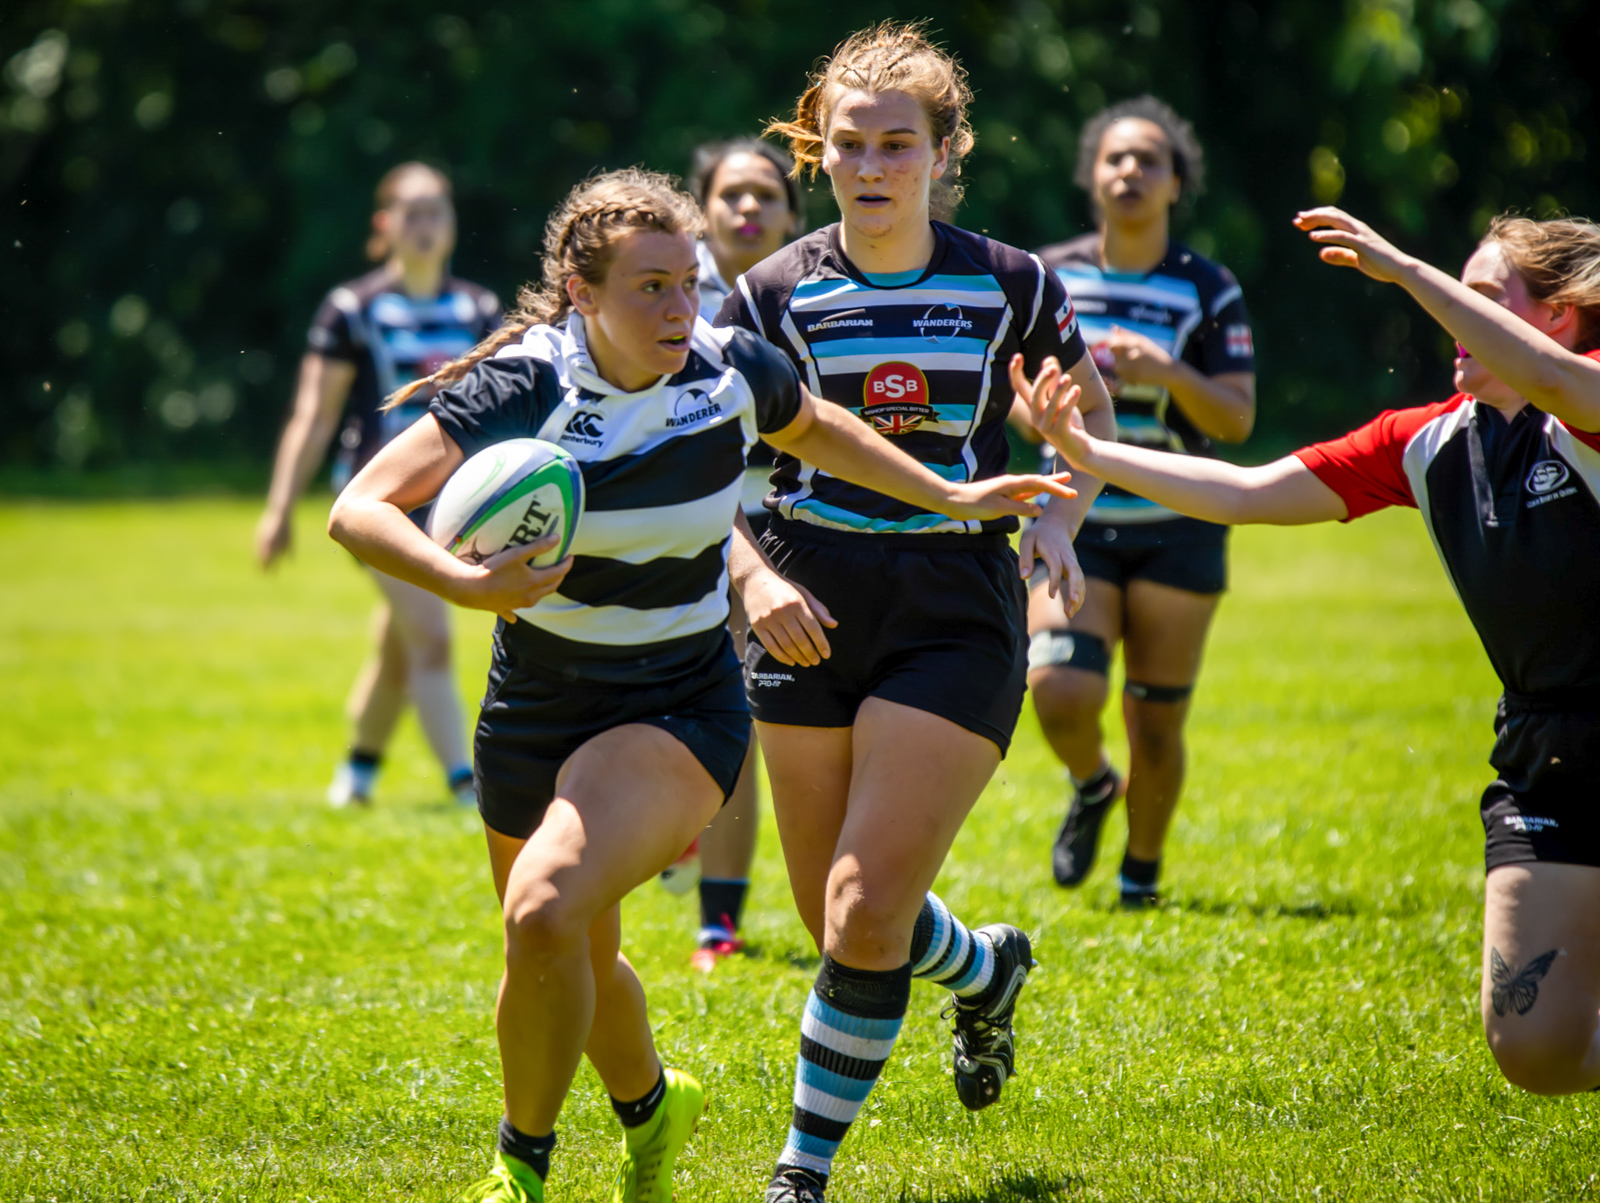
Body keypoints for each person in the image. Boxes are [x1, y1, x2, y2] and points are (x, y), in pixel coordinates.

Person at [327, 167, 1071, 1203]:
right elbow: (359, 506)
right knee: (566, 946)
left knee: (541, 913)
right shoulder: (527, 384)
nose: (682, 308)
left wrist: (948, 488)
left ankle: (519, 1172)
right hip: (533, 700)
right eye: (651, 290)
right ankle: (651, 1106)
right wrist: (463, 579)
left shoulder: (726, 368)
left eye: (688, 283)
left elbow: (813, 427)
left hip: (675, 700)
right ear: (583, 295)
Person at [1029, 205, 1600, 1097]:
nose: (1448, 315)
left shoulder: (1589, 397)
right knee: (1534, 1049)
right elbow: (1246, 490)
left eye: (1478, 296)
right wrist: (1093, 451)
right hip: (1546, 749)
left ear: (1558, 314)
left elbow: (1561, 382)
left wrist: (1408, 270)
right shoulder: (1428, 440)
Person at [715, 24, 1117, 1203]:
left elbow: (1086, 419)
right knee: (835, 914)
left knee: (861, 906)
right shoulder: (769, 291)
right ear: (817, 153)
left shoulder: (1010, 281)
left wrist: (1057, 514)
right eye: (851, 144)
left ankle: (802, 1171)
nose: (875, 164)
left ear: (945, 154)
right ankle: (985, 969)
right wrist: (750, 576)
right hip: (802, 596)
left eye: (901, 143)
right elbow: (701, 463)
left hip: (953, 598)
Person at [1019, 97, 1257, 906]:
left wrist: (1167, 374)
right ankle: (1092, 784)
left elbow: (1236, 414)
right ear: (1091, 176)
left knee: (1157, 719)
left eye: (1149, 160)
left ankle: (1141, 876)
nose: (1130, 172)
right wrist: (1055, 407)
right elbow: (1010, 400)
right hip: (1071, 517)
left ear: (1176, 182)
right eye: (1116, 158)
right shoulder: (1047, 275)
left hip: (1177, 524)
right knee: (1058, 686)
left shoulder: (1207, 286)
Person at [255, 162, 500, 809]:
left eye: (437, 211)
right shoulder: (352, 309)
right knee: (433, 632)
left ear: (452, 223)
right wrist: (280, 507)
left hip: (453, 500)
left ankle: (358, 772)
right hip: (378, 501)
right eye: (411, 213)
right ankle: (463, 785)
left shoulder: (478, 308)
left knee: (402, 644)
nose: (425, 226)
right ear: (384, 224)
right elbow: (313, 414)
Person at [655, 138, 806, 973]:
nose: (748, 210)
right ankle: (673, 823)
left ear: (792, 214)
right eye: (731, 196)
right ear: (702, 212)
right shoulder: (669, 298)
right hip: (668, 528)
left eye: (766, 197)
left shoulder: (816, 294)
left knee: (740, 719)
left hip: (779, 535)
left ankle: (719, 921)